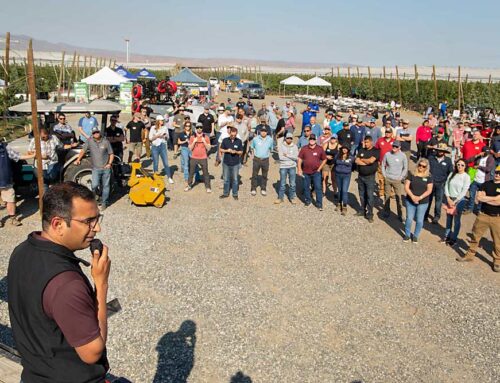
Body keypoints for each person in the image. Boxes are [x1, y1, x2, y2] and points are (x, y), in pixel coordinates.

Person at [8, 182, 110, 382]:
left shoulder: (21, 251)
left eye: (97, 219)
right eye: (89, 221)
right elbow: (92, 353)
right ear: (58, 224)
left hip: (34, 374)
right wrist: (101, 284)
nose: (97, 228)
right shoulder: (67, 285)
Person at [457, 165, 500, 271]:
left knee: (497, 241)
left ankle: (497, 261)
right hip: (483, 215)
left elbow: (499, 202)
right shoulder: (486, 184)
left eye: (499, 173)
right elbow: (479, 198)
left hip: (497, 218)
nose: (497, 175)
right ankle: (469, 255)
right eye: (496, 172)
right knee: (475, 237)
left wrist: (489, 199)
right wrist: (494, 198)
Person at [75, 127, 114, 211]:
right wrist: (78, 159)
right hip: (96, 168)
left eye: (97, 132)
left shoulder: (105, 141)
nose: (96, 134)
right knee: (94, 185)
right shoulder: (89, 141)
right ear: (92, 134)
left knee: (106, 186)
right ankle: (97, 198)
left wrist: (109, 164)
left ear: (99, 133)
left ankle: (104, 202)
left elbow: (111, 154)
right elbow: (83, 151)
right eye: (94, 133)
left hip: (105, 168)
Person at [441, 159, 471, 246]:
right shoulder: (452, 174)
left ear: (465, 166)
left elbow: (464, 190)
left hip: (459, 201)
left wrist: (455, 201)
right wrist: (448, 197)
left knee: (457, 220)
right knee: (448, 218)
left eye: (462, 165)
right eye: (458, 164)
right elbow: (446, 185)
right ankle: (447, 236)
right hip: (449, 198)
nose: (460, 166)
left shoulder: (466, 177)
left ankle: (454, 238)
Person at [0, 142, 31, 227]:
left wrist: (33, 155)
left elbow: (17, 156)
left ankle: (13, 219)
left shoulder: (5, 147)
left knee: (11, 200)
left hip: (6, 181)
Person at [403, 158, 433, 243]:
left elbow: (429, 190)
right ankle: (407, 234)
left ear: (426, 168)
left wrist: (419, 198)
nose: (421, 167)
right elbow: (406, 186)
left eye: (423, 166)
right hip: (410, 200)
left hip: (423, 202)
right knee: (409, 218)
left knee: (419, 220)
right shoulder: (411, 174)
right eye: (420, 165)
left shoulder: (429, 177)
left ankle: (416, 235)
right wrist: (412, 196)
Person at [298, 134, 327, 210]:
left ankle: (319, 204)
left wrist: (319, 169)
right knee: (306, 187)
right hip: (305, 172)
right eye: (310, 139)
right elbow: (300, 159)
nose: (312, 140)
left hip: (316, 172)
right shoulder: (304, 148)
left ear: (316, 140)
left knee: (318, 188)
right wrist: (299, 169)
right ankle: (308, 201)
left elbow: (324, 159)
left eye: (313, 139)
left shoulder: (320, 149)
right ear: (308, 139)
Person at [425, 144, 453, 223]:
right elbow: (425, 168)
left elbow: (450, 172)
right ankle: (425, 215)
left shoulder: (448, 160)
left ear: (445, 152)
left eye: (443, 151)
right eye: (439, 150)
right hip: (430, 183)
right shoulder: (431, 158)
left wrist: (446, 182)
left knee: (438, 201)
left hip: (440, 184)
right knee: (428, 200)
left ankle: (436, 216)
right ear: (437, 150)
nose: (441, 152)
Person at [381, 141, 408, 221]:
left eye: (396, 146)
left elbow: (405, 167)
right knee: (387, 196)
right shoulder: (387, 154)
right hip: (388, 178)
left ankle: (400, 214)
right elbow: (383, 164)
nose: (394, 148)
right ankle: (386, 211)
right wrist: (384, 175)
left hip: (397, 180)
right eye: (393, 146)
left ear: (399, 147)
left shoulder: (403, 156)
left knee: (398, 197)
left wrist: (401, 177)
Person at [464, 146, 495, 215]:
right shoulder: (479, 157)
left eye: (488, 152)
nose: (486, 154)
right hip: (475, 179)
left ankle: (478, 210)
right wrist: (477, 155)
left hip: (484, 181)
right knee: (472, 196)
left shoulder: (491, 159)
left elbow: (488, 169)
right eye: (485, 152)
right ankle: (470, 209)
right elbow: (468, 161)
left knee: (481, 197)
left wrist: (479, 167)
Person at [355, 136, 379, 222]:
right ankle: (362, 210)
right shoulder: (361, 150)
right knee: (362, 195)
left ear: (371, 142)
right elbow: (356, 160)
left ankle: (370, 214)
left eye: (367, 142)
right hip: (361, 176)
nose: (366, 144)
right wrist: (366, 161)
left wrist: (363, 160)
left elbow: (371, 161)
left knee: (370, 196)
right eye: (365, 142)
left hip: (370, 177)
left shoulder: (375, 151)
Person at [186, 123, 212, 193]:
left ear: (202, 128)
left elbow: (209, 148)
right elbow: (190, 149)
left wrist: (204, 142)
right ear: (196, 128)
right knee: (191, 172)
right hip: (194, 157)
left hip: (203, 157)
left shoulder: (206, 137)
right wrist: (194, 142)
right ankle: (189, 185)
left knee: (205, 173)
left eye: (200, 127)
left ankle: (208, 187)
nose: (199, 129)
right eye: (198, 127)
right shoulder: (192, 137)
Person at [219, 127, 243, 199]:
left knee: (235, 180)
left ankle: (235, 194)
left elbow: (241, 152)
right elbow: (220, 149)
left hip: (235, 163)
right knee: (226, 179)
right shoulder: (225, 140)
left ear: (236, 134)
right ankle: (225, 193)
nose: (233, 136)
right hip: (226, 162)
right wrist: (227, 150)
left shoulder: (239, 141)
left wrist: (236, 152)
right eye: (232, 135)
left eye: (234, 135)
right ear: (229, 133)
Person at [149, 115, 174, 183]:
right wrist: (157, 136)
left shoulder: (165, 128)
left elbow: (167, 138)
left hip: (163, 145)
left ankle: (169, 177)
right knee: (155, 162)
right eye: (161, 120)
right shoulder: (153, 128)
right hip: (155, 146)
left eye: (162, 120)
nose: (162, 121)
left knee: (166, 162)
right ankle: (155, 177)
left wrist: (165, 136)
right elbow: (150, 138)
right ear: (158, 121)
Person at [250, 126, 273, 196]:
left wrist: (267, 155)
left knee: (264, 175)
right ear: (260, 131)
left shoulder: (270, 139)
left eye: (265, 131)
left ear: (267, 132)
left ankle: (263, 188)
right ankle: (253, 188)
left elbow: (271, 149)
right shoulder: (255, 139)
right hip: (257, 159)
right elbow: (252, 147)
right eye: (262, 131)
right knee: (254, 174)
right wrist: (253, 155)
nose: (263, 132)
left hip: (265, 160)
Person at [275, 132, 298, 204]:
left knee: (292, 183)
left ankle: (292, 197)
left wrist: (287, 155)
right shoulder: (281, 146)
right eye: (288, 138)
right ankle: (280, 197)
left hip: (292, 166)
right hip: (283, 166)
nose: (289, 139)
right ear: (285, 138)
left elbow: (296, 157)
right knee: (282, 183)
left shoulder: (295, 147)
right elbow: (281, 157)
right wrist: (291, 156)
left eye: (290, 138)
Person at [334, 145, 354, 215]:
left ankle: (345, 206)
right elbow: (335, 162)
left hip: (346, 175)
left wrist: (343, 162)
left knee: (344, 191)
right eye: (343, 149)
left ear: (348, 150)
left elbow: (352, 164)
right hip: (338, 174)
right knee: (339, 190)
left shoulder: (351, 156)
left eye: (346, 149)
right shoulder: (337, 155)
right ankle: (339, 203)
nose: (344, 150)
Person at [375, 128, 395, 198]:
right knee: (381, 178)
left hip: (391, 164)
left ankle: (391, 192)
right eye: (386, 132)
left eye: (389, 132)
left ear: (391, 133)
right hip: (381, 162)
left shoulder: (394, 141)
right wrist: (377, 160)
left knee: (391, 178)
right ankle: (382, 191)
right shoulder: (380, 140)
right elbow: (376, 150)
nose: (387, 133)